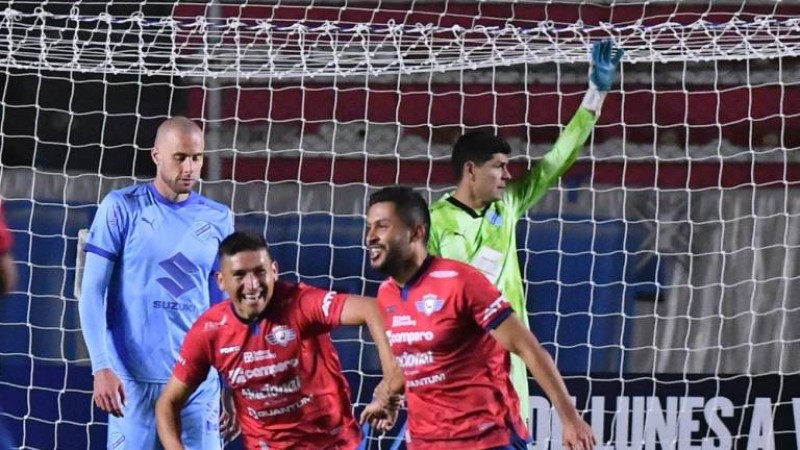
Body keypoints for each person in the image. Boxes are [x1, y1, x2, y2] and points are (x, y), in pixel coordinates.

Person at [427, 39, 624, 423]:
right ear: (471, 170)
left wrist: (595, 94)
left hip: (508, 359)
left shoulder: (509, 204)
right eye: (499, 167)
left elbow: (556, 161)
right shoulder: (433, 221)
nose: (508, 174)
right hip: (457, 363)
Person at [362, 186, 595, 450]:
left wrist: (570, 419)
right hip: (426, 442)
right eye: (369, 227)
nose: (370, 237)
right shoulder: (387, 294)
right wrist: (388, 397)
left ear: (417, 233)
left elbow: (527, 347)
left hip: (488, 438)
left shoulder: (461, 281)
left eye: (382, 226)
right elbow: (418, 359)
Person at [156, 232, 398, 450]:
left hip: (332, 444)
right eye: (239, 275)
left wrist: (390, 386)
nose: (252, 285)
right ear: (221, 281)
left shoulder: (301, 304)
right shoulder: (210, 330)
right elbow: (168, 403)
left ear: (274, 271)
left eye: (259, 272)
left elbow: (373, 309)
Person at [78, 116, 235, 449]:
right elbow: (92, 290)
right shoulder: (121, 207)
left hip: (197, 382)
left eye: (196, 158)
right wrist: (101, 366)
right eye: (180, 157)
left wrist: (228, 379)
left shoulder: (219, 217)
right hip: (132, 381)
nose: (189, 168)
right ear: (156, 156)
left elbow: (222, 307)